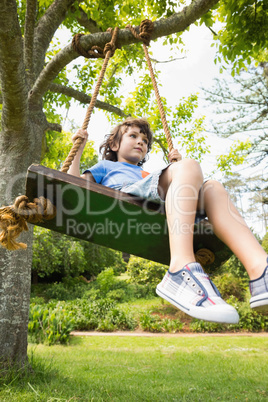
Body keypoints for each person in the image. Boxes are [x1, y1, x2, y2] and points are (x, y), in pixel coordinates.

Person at [68, 117, 268, 323]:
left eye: (145, 141)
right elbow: (72, 187)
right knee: (189, 166)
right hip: (125, 197)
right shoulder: (105, 167)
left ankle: (260, 270)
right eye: (133, 136)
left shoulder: (146, 173)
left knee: (213, 187)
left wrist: (179, 170)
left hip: (160, 208)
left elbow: (164, 186)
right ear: (114, 144)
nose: (140, 142)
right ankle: (181, 268)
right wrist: (78, 150)